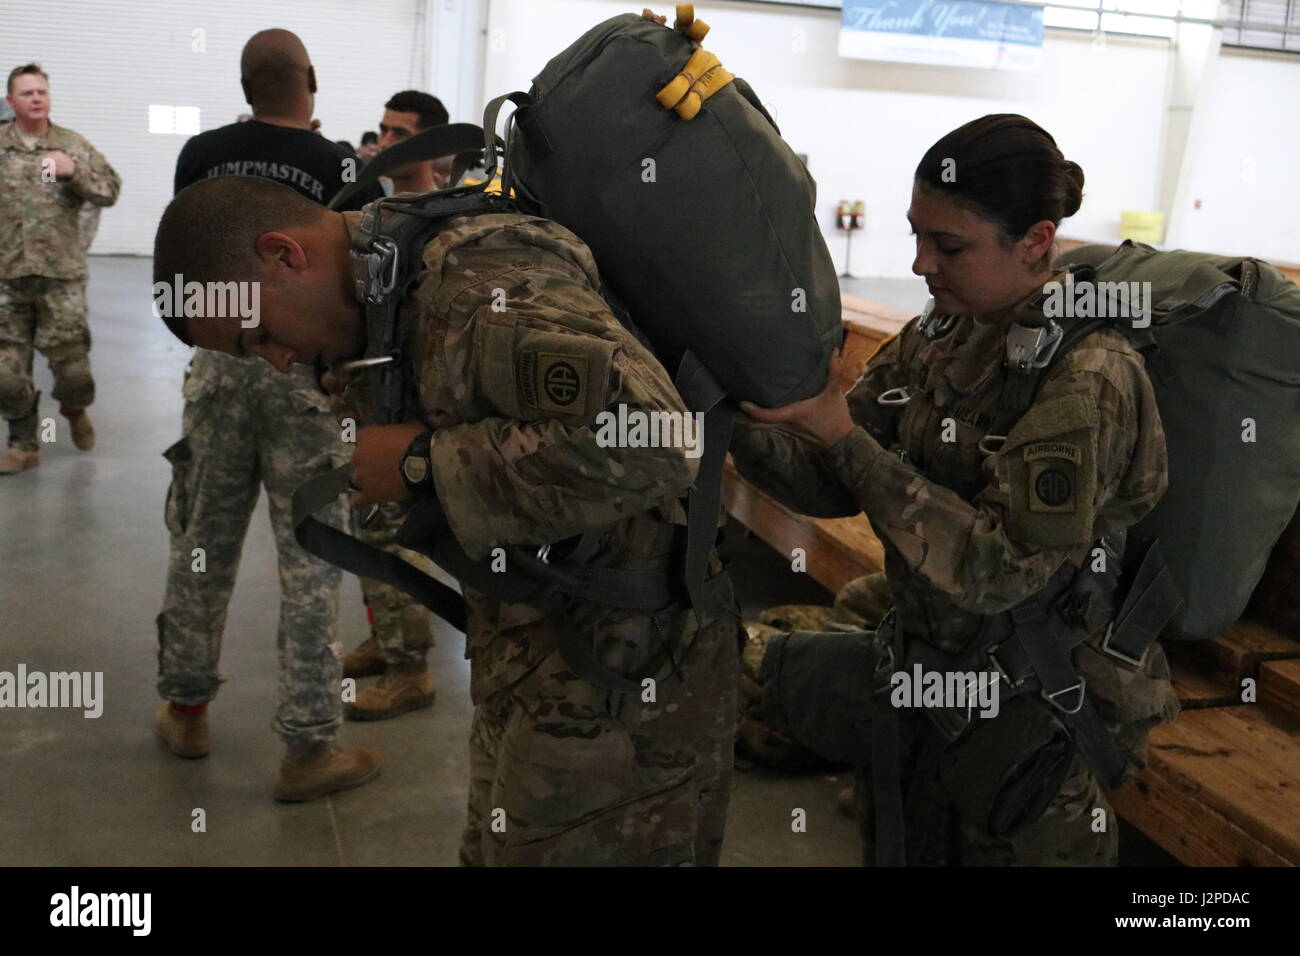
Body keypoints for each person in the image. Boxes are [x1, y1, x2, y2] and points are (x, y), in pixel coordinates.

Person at [152, 175, 740, 866]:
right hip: (539, 648)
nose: (279, 363)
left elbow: (664, 438)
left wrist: (422, 464)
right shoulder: (389, 286)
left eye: (259, 338)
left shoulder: (481, 289)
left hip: (630, 679)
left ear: (284, 254)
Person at [732, 114, 1180, 866]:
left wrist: (842, 437)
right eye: (916, 235)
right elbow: (834, 479)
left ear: (1036, 241)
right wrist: (742, 424)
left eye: (949, 245)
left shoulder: (1088, 377)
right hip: (926, 683)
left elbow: (996, 570)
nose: (920, 264)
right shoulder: (943, 332)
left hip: (1031, 717)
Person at [155, 28, 388, 801]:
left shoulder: (201, 154)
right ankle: (309, 746)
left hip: (221, 367)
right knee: (313, 556)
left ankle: (185, 707)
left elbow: (184, 264)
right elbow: (363, 278)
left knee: (202, 539)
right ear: (309, 80)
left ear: (246, 85)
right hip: (303, 370)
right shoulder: (345, 166)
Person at [0, 63, 120, 474]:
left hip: (60, 278)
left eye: (42, 92)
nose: (36, 98)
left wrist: (75, 173)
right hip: (6, 278)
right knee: (5, 373)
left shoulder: (70, 145)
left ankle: (73, 408)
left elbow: (110, 190)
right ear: (11, 101)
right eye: (27, 93)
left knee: (73, 371)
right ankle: (24, 443)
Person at [374, 90, 451, 195]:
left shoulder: (446, 210)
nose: (384, 143)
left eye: (400, 134)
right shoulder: (374, 207)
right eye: (383, 131)